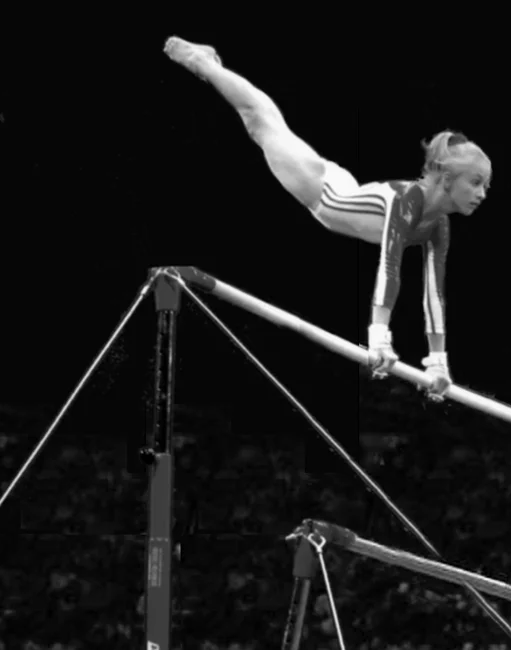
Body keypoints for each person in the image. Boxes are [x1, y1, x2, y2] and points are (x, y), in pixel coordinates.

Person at [163, 36, 493, 400]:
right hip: (321, 190)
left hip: (340, 187)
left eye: (486, 186)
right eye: (476, 182)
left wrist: (438, 363)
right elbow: (390, 266)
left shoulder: (439, 226)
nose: (482, 193)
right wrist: (379, 338)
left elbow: (434, 294)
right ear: (447, 179)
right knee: (260, 121)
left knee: (266, 122)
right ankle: (204, 63)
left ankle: (210, 66)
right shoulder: (409, 200)